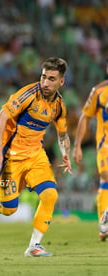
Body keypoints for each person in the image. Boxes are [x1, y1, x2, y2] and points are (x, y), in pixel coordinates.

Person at [0, 57, 71, 257]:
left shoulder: (59, 106)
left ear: (61, 82)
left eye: (51, 79)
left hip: (35, 156)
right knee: (9, 209)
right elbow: (0, 118)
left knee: (50, 195)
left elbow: (62, 133)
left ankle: (34, 246)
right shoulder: (28, 94)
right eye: (43, 77)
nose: (45, 83)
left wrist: (65, 154)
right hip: (10, 158)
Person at [73, 61, 108, 241]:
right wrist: (78, 144)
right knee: (106, 175)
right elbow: (85, 117)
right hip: (106, 144)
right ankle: (104, 223)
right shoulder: (99, 91)